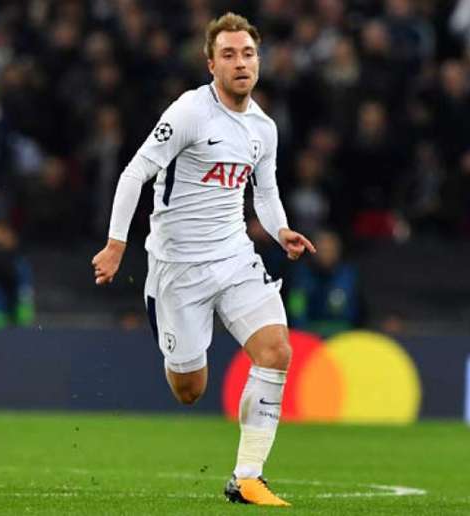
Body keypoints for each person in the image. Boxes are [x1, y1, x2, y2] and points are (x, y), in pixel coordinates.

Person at [90, 13, 315, 507]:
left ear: (260, 61)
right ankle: (164, 316)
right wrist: (116, 243)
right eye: (229, 55)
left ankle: (247, 477)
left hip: (235, 256)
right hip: (178, 269)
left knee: (277, 351)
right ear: (210, 63)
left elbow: (267, 191)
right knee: (190, 389)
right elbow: (135, 173)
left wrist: (280, 231)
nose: (241, 63)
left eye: (248, 54)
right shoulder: (190, 112)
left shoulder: (263, 127)